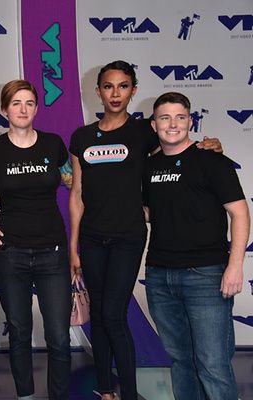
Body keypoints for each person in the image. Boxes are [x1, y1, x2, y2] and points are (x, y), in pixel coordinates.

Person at [68, 61, 222, 400]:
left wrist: (206, 145)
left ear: (133, 90)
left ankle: (130, 393)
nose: (116, 93)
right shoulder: (81, 137)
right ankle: (106, 390)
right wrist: (74, 246)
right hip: (92, 238)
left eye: (123, 86)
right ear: (98, 91)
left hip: (128, 237)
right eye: (108, 86)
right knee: (100, 314)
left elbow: (175, 149)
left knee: (113, 312)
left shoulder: (144, 133)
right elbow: (77, 194)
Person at [143, 92, 250, 400]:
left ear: (190, 121)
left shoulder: (211, 160)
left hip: (205, 275)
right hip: (160, 277)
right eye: (165, 118)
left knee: (213, 365)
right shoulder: (149, 167)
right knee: (181, 362)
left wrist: (235, 265)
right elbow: (150, 212)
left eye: (180, 117)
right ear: (154, 125)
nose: (172, 124)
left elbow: (240, 212)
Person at [0, 80, 73, 400]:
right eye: (16, 103)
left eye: (29, 103)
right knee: (19, 332)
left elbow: (76, 184)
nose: (23, 109)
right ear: (4, 109)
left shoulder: (53, 144)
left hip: (53, 252)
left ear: (36, 108)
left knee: (59, 336)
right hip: (11, 253)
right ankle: (26, 396)